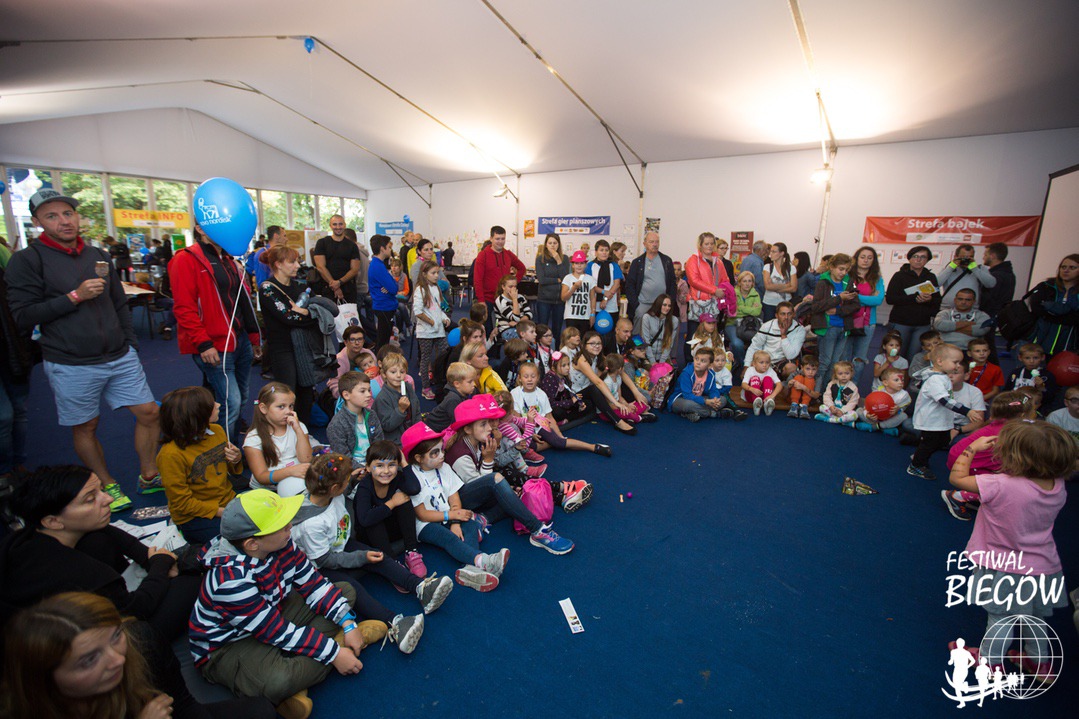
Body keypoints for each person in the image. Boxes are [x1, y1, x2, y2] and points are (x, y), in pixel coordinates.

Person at [6, 189, 159, 509]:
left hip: (119, 355)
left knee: (149, 413)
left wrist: (130, 344)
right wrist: (74, 297)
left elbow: (118, 303)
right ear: (37, 222)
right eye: (51, 216)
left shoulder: (97, 255)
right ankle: (107, 483)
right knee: (87, 426)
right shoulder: (27, 260)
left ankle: (149, 475)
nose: (64, 221)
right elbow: (22, 316)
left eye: (68, 213)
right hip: (70, 362)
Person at [189, 490, 366, 718]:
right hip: (229, 645)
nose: (290, 526)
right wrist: (334, 654)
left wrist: (348, 623)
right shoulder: (230, 582)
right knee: (278, 682)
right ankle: (335, 648)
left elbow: (312, 583)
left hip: (271, 611)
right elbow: (276, 631)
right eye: (281, 526)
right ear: (252, 544)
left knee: (345, 592)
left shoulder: (280, 543)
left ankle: (306, 664)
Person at [0, 591, 276, 719]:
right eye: (89, 660)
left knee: (260, 710)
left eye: (115, 636)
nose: (117, 660)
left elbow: (182, 705)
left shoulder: (142, 642)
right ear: (44, 677)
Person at [947, 420, 1073, 680]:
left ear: (1015, 457)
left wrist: (972, 447)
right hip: (1044, 566)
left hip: (1003, 566)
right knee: (1035, 617)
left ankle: (990, 662)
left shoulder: (999, 484)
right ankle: (1040, 663)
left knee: (1000, 617)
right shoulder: (1057, 485)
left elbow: (956, 478)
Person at [290, 453, 441, 654]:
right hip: (320, 565)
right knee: (352, 588)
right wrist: (360, 557)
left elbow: (342, 492)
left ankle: (421, 587)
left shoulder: (326, 493)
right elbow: (325, 559)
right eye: (346, 480)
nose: (348, 482)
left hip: (340, 543)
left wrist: (351, 480)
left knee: (378, 556)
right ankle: (396, 624)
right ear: (334, 488)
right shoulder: (311, 525)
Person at [442, 397, 576, 555]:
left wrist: (512, 453)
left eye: (488, 423)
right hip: (461, 499)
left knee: (514, 493)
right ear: (468, 429)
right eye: (483, 424)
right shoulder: (460, 455)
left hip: (477, 490)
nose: (489, 428)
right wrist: (489, 461)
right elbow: (483, 484)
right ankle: (538, 530)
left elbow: (496, 465)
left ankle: (483, 518)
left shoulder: (478, 441)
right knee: (497, 481)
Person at [170, 221, 261, 442]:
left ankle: (229, 447)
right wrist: (203, 343)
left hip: (239, 340)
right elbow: (184, 308)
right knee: (231, 402)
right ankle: (224, 454)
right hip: (215, 345)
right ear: (200, 229)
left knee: (241, 398)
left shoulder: (228, 260)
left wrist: (253, 337)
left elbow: (241, 301)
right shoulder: (185, 259)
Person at [400, 423, 507, 592]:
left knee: (470, 524)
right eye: (435, 453)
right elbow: (422, 514)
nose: (442, 455)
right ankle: (484, 561)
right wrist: (451, 517)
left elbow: (454, 498)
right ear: (419, 458)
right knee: (448, 538)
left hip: (449, 515)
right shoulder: (413, 477)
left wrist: (456, 521)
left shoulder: (444, 467)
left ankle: (470, 570)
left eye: (441, 450)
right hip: (426, 524)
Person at [157, 387, 241, 545]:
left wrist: (236, 459)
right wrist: (223, 512)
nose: (218, 405)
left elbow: (228, 470)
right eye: (212, 405)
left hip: (227, 501)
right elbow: (182, 503)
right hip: (195, 516)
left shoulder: (217, 431)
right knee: (240, 539)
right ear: (197, 415)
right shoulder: (170, 455)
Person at [942, 391, 1038, 519]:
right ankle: (957, 497)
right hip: (964, 463)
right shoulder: (1007, 434)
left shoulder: (1002, 422)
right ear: (1022, 415)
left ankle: (976, 493)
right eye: (1033, 410)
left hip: (961, 456)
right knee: (1010, 484)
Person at [257, 245, 320, 424]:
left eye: (297, 261)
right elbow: (289, 317)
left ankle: (302, 430)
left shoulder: (300, 285)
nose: (297, 266)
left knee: (306, 391)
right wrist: (309, 315)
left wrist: (307, 313)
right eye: (292, 262)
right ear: (278, 264)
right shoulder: (267, 288)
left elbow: (321, 309)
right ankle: (284, 432)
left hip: (303, 346)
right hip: (282, 348)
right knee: (287, 393)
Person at [908, 343, 983, 480]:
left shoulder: (942, 376)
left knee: (943, 440)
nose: (958, 366)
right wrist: (967, 411)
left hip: (940, 419)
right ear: (940, 361)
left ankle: (920, 453)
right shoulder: (935, 380)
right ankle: (916, 465)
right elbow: (945, 401)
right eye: (955, 362)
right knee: (930, 443)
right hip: (931, 420)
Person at [351, 440, 425, 576]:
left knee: (404, 500)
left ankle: (411, 551)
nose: (386, 471)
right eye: (379, 466)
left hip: (391, 531)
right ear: (368, 468)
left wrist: (404, 463)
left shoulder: (396, 478)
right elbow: (365, 520)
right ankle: (391, 563)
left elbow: (414, 488)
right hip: (371, 538)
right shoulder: (364, 487)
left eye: (392, 465)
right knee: (374, 516)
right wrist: (392, 503)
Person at [511, 362, 611, 456]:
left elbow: (549, 417)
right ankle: (551, 442)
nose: (529, 379)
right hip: (524, 427)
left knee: (559, 442)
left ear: (537, 378)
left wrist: (559, 435)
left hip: (540, 425)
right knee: (527, 447)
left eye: (533, 377)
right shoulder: (515, 393)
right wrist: (530, 434)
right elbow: (518, 419)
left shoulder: (541, 394)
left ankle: (592, 447)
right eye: (526, 377)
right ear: (520, 378)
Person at [244, 382, 315, 496]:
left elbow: (306, 459)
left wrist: (298, 430)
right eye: (281, 406)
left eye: (291, 406)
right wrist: (290, 471)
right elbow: (261, 477)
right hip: (268, 490)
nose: (288, 411)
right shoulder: (253, 438)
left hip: (295, 482)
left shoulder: (299, 427)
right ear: (263, 408)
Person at [0, 264, 31, 485]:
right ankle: (4, 471)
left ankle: (18, 464)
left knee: (19, 411)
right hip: (13, 352)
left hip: (13, 353)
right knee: (4, 416)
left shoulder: (5, 276)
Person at [570, 332, 638, 435]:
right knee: (595, 388)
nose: (596, 346)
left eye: (599, 343)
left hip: (588, 394)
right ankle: (617, 421)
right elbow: (597, 382)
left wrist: (635, 392)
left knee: (614, 377)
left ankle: (627, 411)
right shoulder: (582, 360)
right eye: (592, 343)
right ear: (584, 345)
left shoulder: (597, 357)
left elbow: (618, 368)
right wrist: (616, 403)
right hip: (577, 394)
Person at [808, 253, 859, 386]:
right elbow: (816, 306)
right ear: (831, 267)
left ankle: (827, 391)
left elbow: (856, 305)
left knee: (835, 364)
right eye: (841, 269)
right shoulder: (823, 282)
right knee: (825, 362)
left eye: (846, 270)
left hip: (843, 327)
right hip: (828, 327)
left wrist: (838, 310)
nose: (843, 273)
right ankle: (816, 391)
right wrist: (839, 298)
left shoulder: (849, 282)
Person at [885, 245, 942, 360]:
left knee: (915, 356)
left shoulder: (931, 277)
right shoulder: (899, 276)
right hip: (901, 322)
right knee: (896, 355)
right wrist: (914, 298)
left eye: (923, 257)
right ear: (909, 258)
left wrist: (930, 299)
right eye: (915, 256)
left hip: (922, 324)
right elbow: (890, 299)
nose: (918, 259)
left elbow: (938, 300)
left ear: (927, 260)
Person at [684, 232, 731, 363]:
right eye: (706, 244)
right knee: (694, 336)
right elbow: (694, 281)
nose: (709, 246)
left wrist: (723, 291)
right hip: (697, 304)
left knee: (712, 335)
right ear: (700, 245)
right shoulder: (693, 260)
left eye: (711, 243)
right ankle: (690, 363)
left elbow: (725, 279)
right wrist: (714, 290)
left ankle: (710, 363)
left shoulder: (718, 262)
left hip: (714, 304)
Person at [844, 246, 886, 384]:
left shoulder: (877, 279)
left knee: (860, 359)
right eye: (862, 257)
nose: (866, 260)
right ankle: (840, 388)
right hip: (847, 321)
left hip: (868, 323)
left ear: (873, 261)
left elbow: (878, 300)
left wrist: (855, 297)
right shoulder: (847, 276)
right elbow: (843, 297)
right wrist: (867, 298)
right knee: (844, 358)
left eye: (869, 258)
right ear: (856, 259)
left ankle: (853, 388)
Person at [473, 226, 526, 334]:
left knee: (505, 330)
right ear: (491, 238)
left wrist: (512, 284)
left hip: (504, 299)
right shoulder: (483, 255)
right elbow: (477, 280)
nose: (500, 242)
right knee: (488, 331)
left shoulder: (508, 254)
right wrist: (481, 300)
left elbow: (522, 268)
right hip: (487, 299)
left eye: (503, 238)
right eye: (497, 239)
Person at [327, 372, 384, 467]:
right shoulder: (336, 424)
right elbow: (342, 457)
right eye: (362, 391)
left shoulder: (371, 414)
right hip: (351, 468)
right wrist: (363, 469)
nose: (369, 395)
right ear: (346, 395)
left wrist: (376, 464)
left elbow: (379, 443)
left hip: (373, 463)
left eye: (369, 390)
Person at [413, 260, 451, 400]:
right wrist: (431, 322)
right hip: (425, 332)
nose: (436, 276)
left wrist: (444, 318)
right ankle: (425, 387)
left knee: (445, 353)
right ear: (424, 274)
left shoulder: (436, 288)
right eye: (433, 273)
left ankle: (441, 381)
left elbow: (438, 308)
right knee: (426, 359)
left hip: (438, 331)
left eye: (437, 273)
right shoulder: (420, 289)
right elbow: (418, 312)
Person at [1028, 253, 1079, 357]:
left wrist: (1052, 312)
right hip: (1039, 340)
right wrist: (1065, 315)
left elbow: (1076, 318)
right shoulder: (1046, 286)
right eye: (1063, 267)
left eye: (1072, 268)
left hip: (1070, 343)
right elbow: (1037, 309)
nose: (1066, 270)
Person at [742, 301, 805, 379]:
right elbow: (755, 347)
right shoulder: (767, 326)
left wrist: (784, 336)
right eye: (782, 314)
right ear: (776, 315)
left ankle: (785, 384)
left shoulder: (799, 329)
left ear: (793, 314)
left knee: (791, 368)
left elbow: (790, 355)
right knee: (752, 367)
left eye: (789, 314)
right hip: (765, 360)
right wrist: (746, 366)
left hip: (783, 361)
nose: (786, 317)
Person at [625, 231, 677, 322]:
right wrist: (636, 304)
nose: (655, 244)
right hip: (642, 304)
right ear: (644, 244)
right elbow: (630, 284)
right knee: (639, 329)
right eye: (651, 242)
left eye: (657, 242)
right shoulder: (637, 262)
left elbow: (673, 283)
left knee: (659, 328)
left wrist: (670, 302)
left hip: (662, 305)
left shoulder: (667, 261)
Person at [977, 242, 1016, 364]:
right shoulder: (1007, 273)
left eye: (985, 254)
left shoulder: (997, 276)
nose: (983, 257)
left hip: (988, 315)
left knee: (986, 346)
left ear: (992, 256)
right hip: (994, 314)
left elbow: (988, 298)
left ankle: (993, 372)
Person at [371, 352, 419, 444]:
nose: (398, 375)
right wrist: (400, 410)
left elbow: (417, 411)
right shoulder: (382, 398)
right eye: (393, 372)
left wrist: (417, 430)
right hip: (395, 441)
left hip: (412, 434)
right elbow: (387, 426)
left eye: (402, 372)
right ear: (384, 374)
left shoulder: (408, 388)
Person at [312, 215, 361, 304]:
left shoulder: (352, 245)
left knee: (350, 313)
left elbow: (355, 269)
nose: (338, 227)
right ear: (330, 226)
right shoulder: (322, 243)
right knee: (329, 313)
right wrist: (335, 286)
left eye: (340, 224)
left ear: (345, 225)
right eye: (335, 224)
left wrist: (339, 282)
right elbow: (320, 267)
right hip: (328, 289)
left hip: (348, 290)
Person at [667, 346, 725, 422]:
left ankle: (691, 413)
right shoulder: (686, 373)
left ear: (710, 365)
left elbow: (713, 390)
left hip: (698, 398)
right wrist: (706, 402)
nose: (698, 363)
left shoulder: (711, 374)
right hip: (681, 399)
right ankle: (712, 413)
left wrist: (715, 400)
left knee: (723, 399)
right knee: (689, 405)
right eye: (696, 359)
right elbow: (687, 395)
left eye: (703, 361)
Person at [937, 243, 997, 307]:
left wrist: (974, 269)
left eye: (970, 257)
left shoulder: (979, 269)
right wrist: (951, 267)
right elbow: (936, 283)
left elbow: (991, 284)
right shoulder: (949, 269)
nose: (966, 260)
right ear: (956, 257)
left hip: (971, 309)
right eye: (963, 257)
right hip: (948, 308)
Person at [534, 233, 570, 338]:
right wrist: (557, 280)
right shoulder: (540, 259)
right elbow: (542, 280)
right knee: (542, 329)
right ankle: (541, 348)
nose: (552, 245)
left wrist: (558, 260)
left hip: (559, 300)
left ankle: (556, 347)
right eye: (550, 243)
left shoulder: (565, 259)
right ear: (546, 244)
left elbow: (565, 278)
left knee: (557, 329)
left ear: (559, 244)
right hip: (544, 299)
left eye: (555, 243)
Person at [425, 362, 478, 433]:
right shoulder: (453, 399)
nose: (474, 384)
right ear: (457, 384)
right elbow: (457, 424)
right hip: (433, 431)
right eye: (470, 382)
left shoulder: (467, 392)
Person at [541, 351, 592, 425]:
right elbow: (550, 404)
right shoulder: (549, 379)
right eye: (564, 365)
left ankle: (567, 419)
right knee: (557, 412)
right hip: (554, 408)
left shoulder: (564, 377)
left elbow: (567, 397)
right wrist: (571, 402)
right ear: (553, 368)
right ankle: (565, 419)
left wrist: (578, 404)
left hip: (565, 405)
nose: (568, 368)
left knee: (588, 404)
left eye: (568, 364)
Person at [1003, 342, 1057, 407]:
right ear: (1020, 358)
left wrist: (1041, 388)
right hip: (1014, 406)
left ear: (1042, 357)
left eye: (1035, 358)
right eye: (1027, 358)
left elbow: (1050, 398)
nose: (1031, 361)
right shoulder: (1015, 373)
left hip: (1036, 408)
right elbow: (1006, 390)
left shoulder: (1047, 375)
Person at [367, 234, 398, 348]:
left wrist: (389, 286)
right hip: (384, 306)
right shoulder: (377, 266)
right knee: (383, 341)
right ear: (382, 248)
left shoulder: (378, 264)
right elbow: (394, 289)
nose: (390, 250)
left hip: (385, 305)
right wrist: (389, 287)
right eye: (389, 247)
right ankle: (380, 359)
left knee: (384, 338)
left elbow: (392, 286)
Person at [328, 326, 376, 398]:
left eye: (360, 339)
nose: (357, 343)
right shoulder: (339, 360)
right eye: (352, 340)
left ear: (363, 341)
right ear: (345, 342)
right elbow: (334, 385)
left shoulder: (368, 353)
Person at [727, 270, 762, 363]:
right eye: (744, 281)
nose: (747, 284)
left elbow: (757, 311)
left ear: (752, 283)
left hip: (750, 324)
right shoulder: (733, 293)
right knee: (737, 344)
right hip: (732, 323)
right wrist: (750, 309)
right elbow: (733, 311)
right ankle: (743, 364)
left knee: (759, 343)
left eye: (749, 281)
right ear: (739, 283)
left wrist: (740, 308)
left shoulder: (755, 294)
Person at [587, 239, 623, 325]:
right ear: (596, 252)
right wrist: (603, 292)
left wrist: (605, 299)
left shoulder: (614, 265)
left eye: (606, 250)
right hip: (594, 305)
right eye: (601, 250)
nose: (604, 253)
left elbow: (616, 284)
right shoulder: (590, 265)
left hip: (611, 306)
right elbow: (590, 285)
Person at [813, 361, 859, 426]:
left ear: (851, 374)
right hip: (833, 409)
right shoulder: (832, 384)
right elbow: (827, 396)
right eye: (840, 374)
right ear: (836, 375)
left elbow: (853, 402)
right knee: (822, 407)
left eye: (847, 373)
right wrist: (831, 406)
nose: (844, 376)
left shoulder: (853, 388)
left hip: (844, 411)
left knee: (855, 415)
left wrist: (842, 411)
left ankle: (830, 419)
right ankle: (843, 421)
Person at [561, 250, 595, 334]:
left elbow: (592, 298)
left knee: (583, 338)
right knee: (571, 338)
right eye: (576, 263)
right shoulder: (568, 278)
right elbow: (563, 298)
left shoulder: (590, 279)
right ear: (572, 265)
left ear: (585, 264)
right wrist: (574, 288)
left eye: (582, 263)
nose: (579, 266)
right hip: (571, 316)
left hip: (585, 316)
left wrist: (592, 314)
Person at [761, 242, 796, 322]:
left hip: (785, 304)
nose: (771, 254)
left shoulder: (791, 268)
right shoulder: (767, 267)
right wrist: (787, 285)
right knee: (769, 325)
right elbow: (767, 286)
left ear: (782, 253)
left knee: (784, 324)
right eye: (771, 251)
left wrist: (774, 286)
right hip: (769, 303)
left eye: (774, 252)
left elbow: (794, 288)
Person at [639, 294, 677, 366]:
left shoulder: (674, 320)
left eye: (669, 306)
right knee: (648, 371)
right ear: (658, 304)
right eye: (664, 305)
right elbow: (646, 341)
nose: (667, 308)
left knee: (667, 372)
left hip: (663, 357)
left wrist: (661, 362)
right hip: (647, 356)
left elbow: (669, 344)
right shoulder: (647, 317)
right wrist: (652, 361)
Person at [741, 350, 783, 416]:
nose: (764, 365)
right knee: (755, 378)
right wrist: (751, 389)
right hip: (751, 395)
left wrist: (772, 395)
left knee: (768, 379)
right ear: (754, 364)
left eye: (767, 362)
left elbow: (779, 384)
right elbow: (743, 384)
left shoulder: (770, 370)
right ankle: (756, 403)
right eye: (761, 362)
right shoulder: (750, 370)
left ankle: (767, 402)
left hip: (765, 396)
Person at [493, 273, 532, 342]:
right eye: (510, 287)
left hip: (522, 326)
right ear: (503, 287)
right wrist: (514, 299)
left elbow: (529, 314)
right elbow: (515, 318)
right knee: (526, 339)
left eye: (515, 286)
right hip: (507, 329)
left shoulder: (521, 297)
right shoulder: (500, 301)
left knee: (540, 335)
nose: (513, 289)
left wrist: (518, 323)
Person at [246, 225, 285, 290]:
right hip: (269, 291)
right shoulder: (263, 254)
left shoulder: (281, 253)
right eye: (284, 236)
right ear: (276, 236)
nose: (286, 239)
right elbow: (262, 279)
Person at [966, 337, 1004, 401]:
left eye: (985, 350)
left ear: (989, 352)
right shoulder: (964, 367)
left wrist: (980, 399)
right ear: (969, 353)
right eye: (977, 351)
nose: (982, 353)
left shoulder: (995, 369)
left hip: (985, 400)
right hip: (965, 398)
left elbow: (995, 390)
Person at [907, 330, 942, 397]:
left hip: (938, 389)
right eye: (929, 345)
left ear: (941, 341)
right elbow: (912, 374)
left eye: (935, 343)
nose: (933, 347)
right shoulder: (919, 357)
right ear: (924, 347)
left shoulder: (947, 356)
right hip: (918, 390)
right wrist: (924, 361)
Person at [785, 356, 821, 421]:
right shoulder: (795, 374)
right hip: (792, 398)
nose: (810, 372)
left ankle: (804, 407)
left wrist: (804, 388)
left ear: (817, 369)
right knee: (798, 378)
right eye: (808, 369)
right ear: (802, 368)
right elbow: (784, 392)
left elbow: (816, 395)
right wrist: (789, 385)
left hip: (809, 401)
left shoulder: (818, 377)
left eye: (813, 369)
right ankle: (794, 406)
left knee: (810, 380)